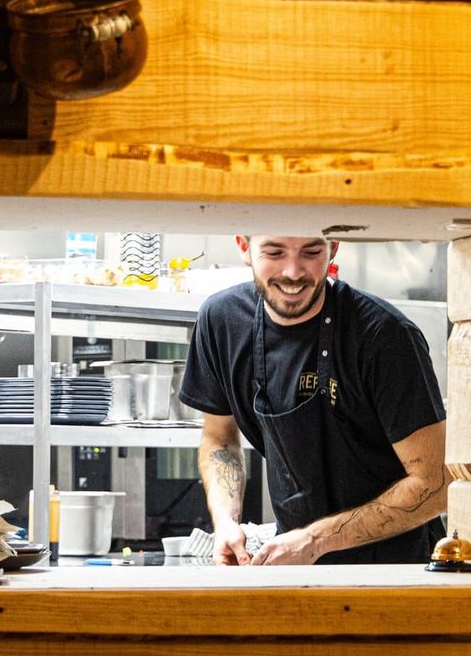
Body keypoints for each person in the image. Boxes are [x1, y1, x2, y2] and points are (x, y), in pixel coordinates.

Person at [179, 233, 448, 565]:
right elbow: (219, 440)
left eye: (311, 251)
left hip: (394, 568)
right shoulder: (222, 322)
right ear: (244, 247)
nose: (293, 272)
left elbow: (435, 485)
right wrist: (225, 523)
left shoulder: (383, 335)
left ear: (334, 248)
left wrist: (315, 540)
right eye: (274, 252)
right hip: (293, 562)